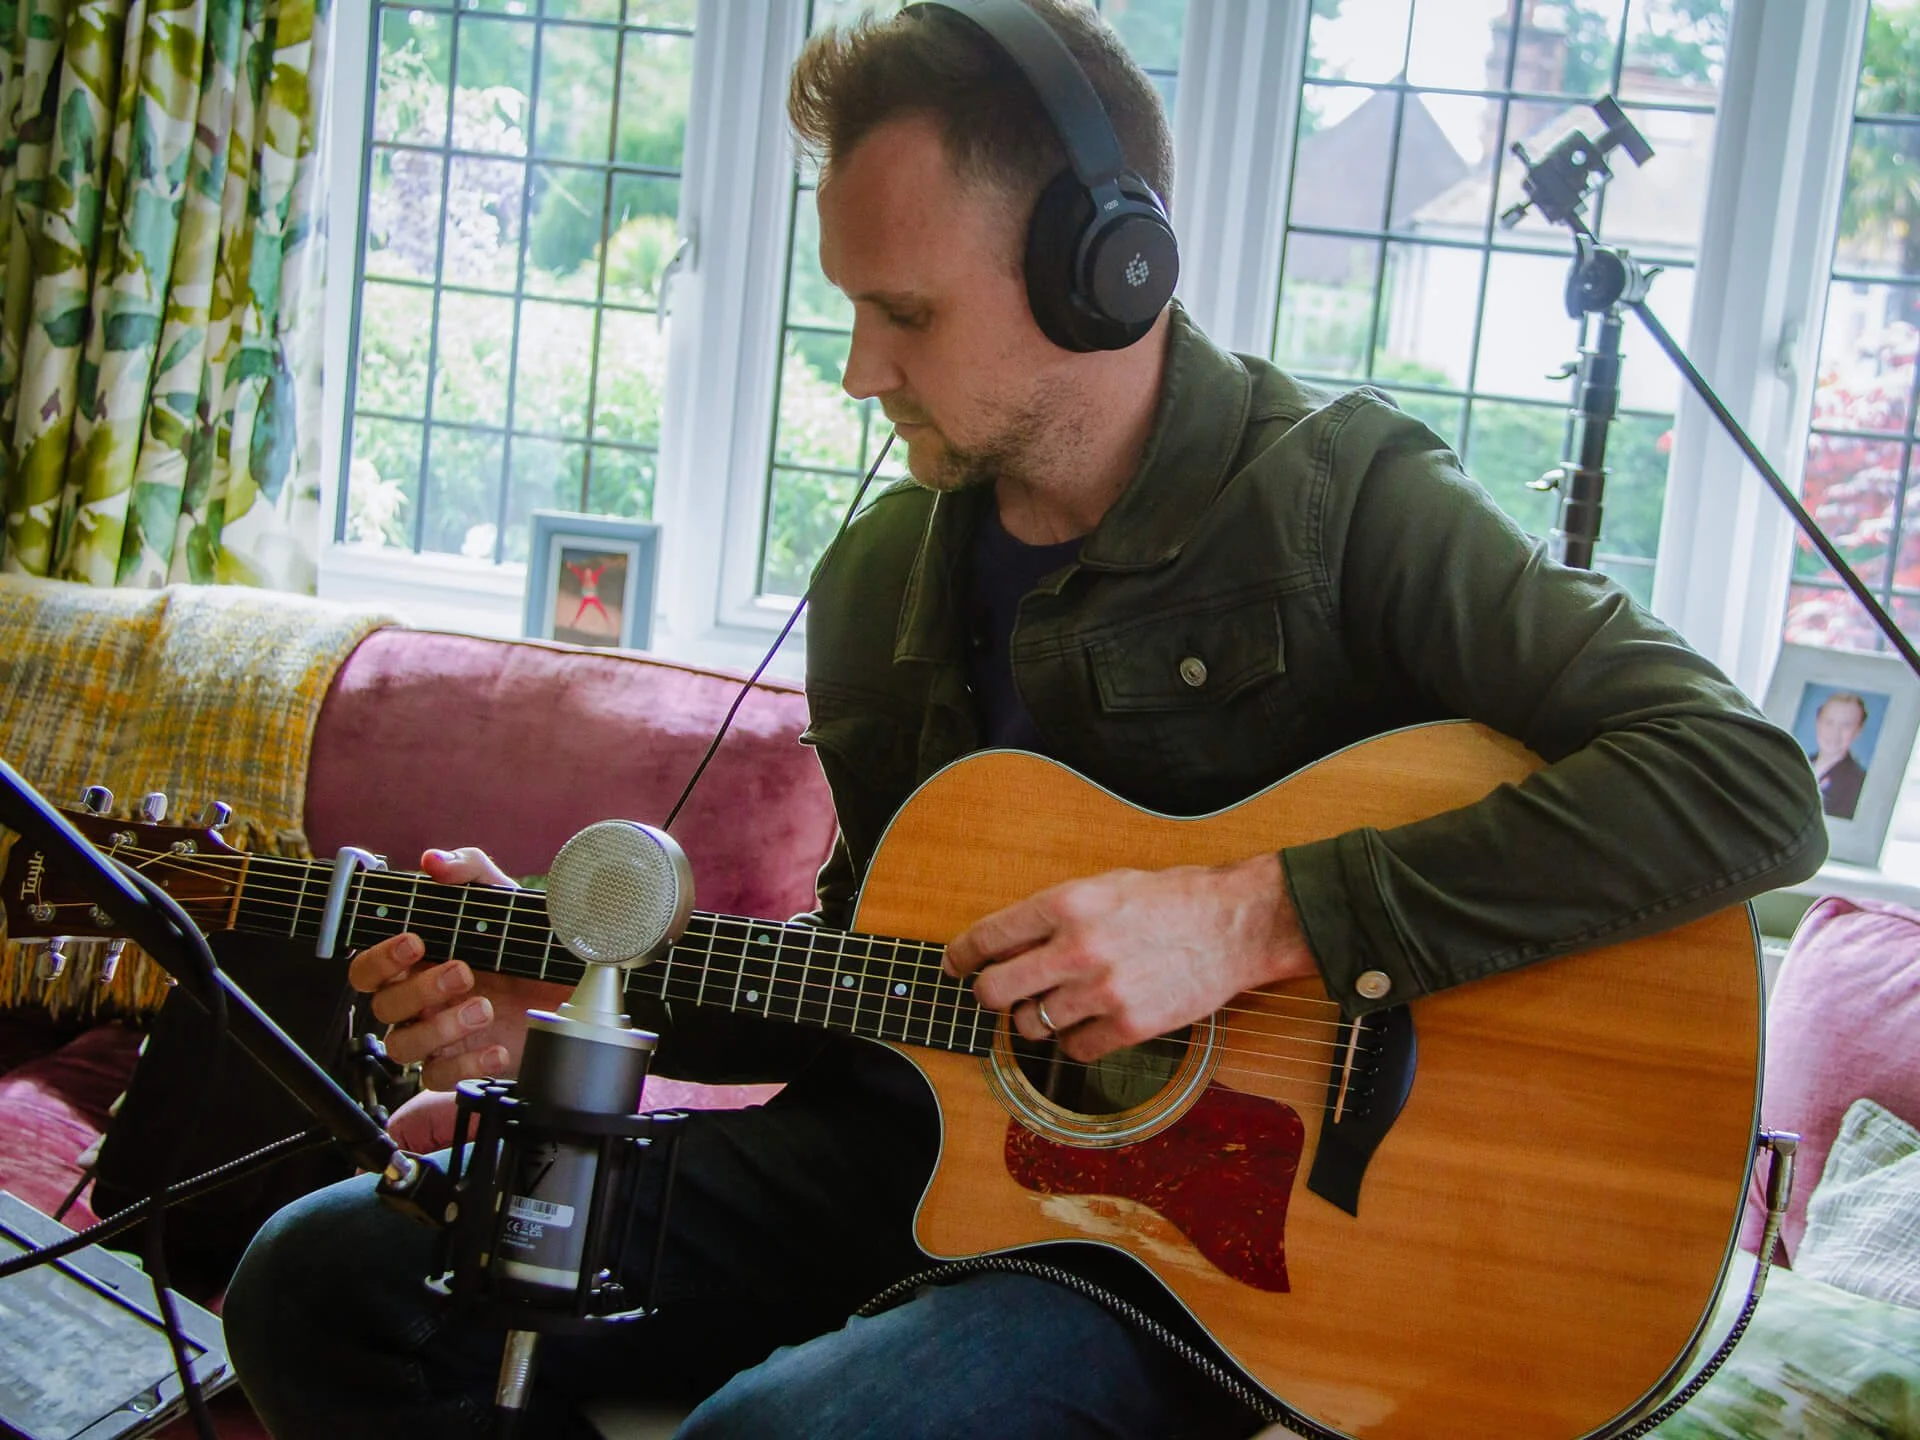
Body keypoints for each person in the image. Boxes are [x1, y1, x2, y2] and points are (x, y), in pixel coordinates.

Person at [222, 4, 1826, 1436]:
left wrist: (1251, 920)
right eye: (849, 306)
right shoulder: (876, 578)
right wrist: (580, 987)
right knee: (314, 1283)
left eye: (905, 314)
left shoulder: (1348, 502)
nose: (857, 370)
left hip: (1188, 1253)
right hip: (894, 1160)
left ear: (1101, 270)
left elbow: (1748, 784)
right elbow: (876, 974)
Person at [1809, 690, 1870, 819]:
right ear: (1818, 722)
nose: (1835, 733)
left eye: (1846, 726)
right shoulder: (1795, 761)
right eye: (1829, 722)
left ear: (1858, 731)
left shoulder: (1859, 783)